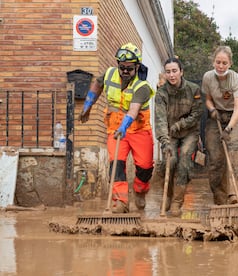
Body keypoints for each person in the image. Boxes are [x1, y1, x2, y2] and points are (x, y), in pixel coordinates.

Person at [78, 42, 155, 213]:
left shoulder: (142, 86)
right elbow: (97, 85)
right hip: (115, 130)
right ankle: (120, 201)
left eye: (129, 68)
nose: (125, 71)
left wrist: (124, 126)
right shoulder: (110, 74)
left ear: (137, 66)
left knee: (145, 167)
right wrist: (87, 106)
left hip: (138, 130)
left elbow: (134, 110)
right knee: (116, 165)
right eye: (122, 67)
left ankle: (140, 191)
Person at [154, 57, 203, 217]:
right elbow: (160, 119)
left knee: (184, 163)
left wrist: (180, 124)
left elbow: (197, 114)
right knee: (170, 160)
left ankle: (177, 202)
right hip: (170, 134)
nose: (172, 75)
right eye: (168, 72)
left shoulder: (193, 89)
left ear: (181, 72)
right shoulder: (161, 93)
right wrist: (164, 141)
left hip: (189, 132)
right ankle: (167, 196)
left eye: (174, 71)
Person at [202, 45, 238, 205]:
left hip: (236, 117)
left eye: (224, 63)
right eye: (218, 62)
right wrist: (212, 109)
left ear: (230, 64)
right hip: (216, 116)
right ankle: (220, 199)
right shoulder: (208, 77)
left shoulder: (237, 80)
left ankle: (233, 195)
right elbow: (208, 98)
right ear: (213, 62)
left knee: (234, 150)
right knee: (216, 158)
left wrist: (229, 129)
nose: (221, 66)